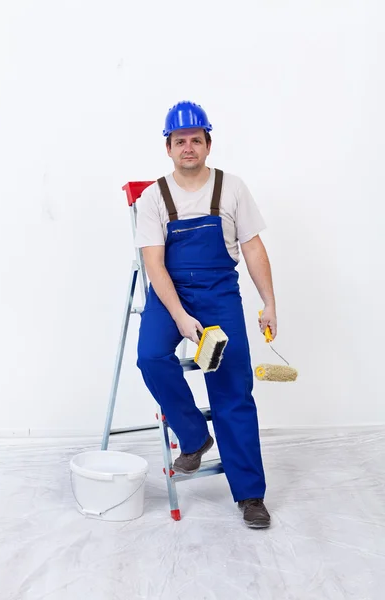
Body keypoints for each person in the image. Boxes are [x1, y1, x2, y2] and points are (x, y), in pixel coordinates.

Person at [134, 101, 277, 529]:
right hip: (168, 294)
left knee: (233, 386)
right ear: (169, 148)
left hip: (219, 294)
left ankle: (250, 494)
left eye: (196, 139)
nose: (188, 147)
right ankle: (194, 436)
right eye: (180, 141)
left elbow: (252, 248)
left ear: (208, 145)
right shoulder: (153, 197)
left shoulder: (232, 188)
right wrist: (178, 315)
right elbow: (154, 265)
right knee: (151, 357)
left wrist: (269, 302)